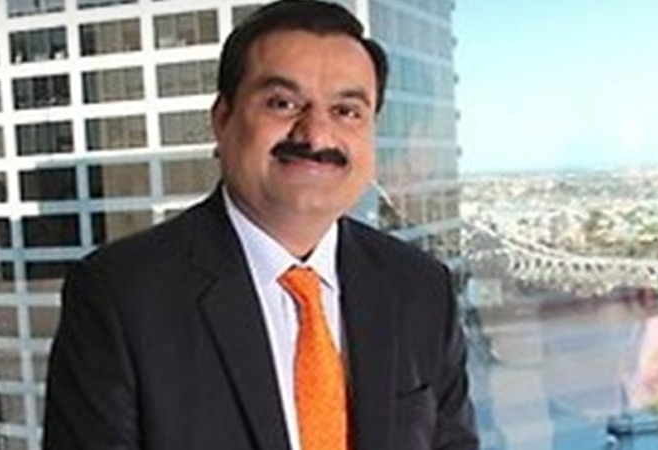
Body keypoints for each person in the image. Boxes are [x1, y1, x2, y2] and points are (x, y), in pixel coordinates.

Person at [42, 1, 479, 449]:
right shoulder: (120, 297)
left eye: (347, 111)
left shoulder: (419, 287)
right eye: (282, 104)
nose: (316, 135)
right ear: (223, 119)